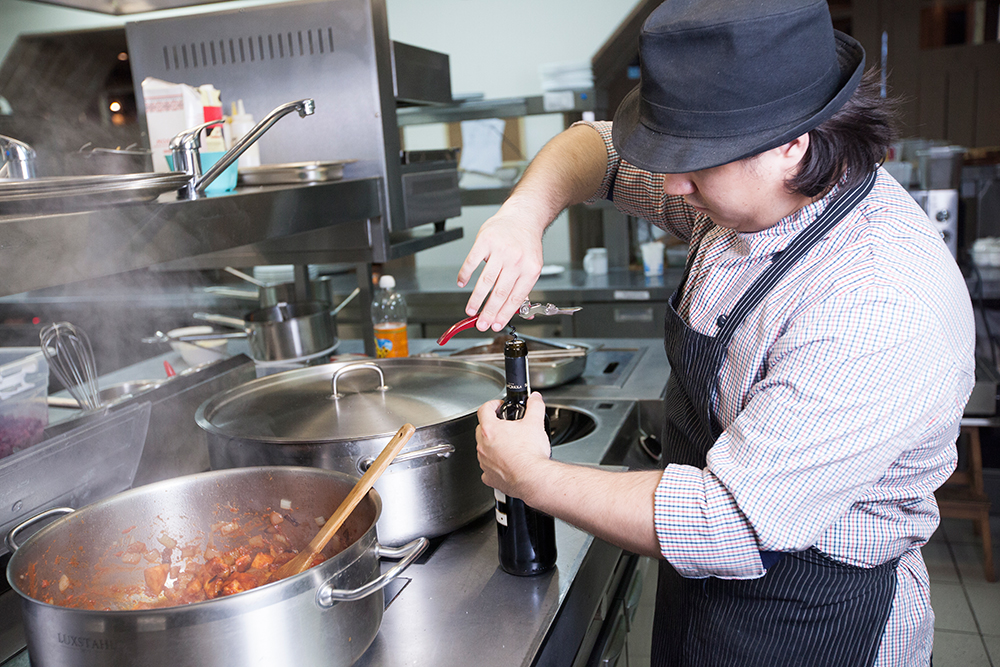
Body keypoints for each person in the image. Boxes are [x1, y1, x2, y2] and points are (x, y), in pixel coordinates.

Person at [458, 1, 976, 665]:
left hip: (814, 618)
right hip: (702, 597)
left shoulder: (877, 302)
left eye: (696, 162)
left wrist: (532, 477)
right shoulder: (748, 191)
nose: (673, 183)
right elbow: (598, 147)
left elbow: (722, 521)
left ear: (794, 141)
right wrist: (523, 214)